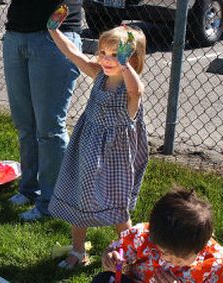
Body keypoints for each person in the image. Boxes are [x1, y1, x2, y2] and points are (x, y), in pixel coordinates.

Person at [47, 15, 149, 268]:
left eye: (116, 54)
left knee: (117, 206)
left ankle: (131, 251)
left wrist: (124, 67)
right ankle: (78, 250)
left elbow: (137, 90)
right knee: (80, 196)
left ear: (132, 59)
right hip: (87, 146)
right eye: (103, 51)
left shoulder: (130, 92)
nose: (106, 58)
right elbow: (73, 54)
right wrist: (53, 31)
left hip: (115, 157)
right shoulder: (98, 75)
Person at [2, 0, 83, 221]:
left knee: (49, 129)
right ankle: (29, 190)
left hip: (55, 36)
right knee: (24, 124)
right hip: (16, 33)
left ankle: (52, 203)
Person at [97, 188, 223, 283]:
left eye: (181, 259)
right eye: (163, 252)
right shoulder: (143, 236)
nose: (170, 260)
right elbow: (118, 251)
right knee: (104, 279)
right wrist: (110, 257)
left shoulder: (215, 263)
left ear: (202, 246)